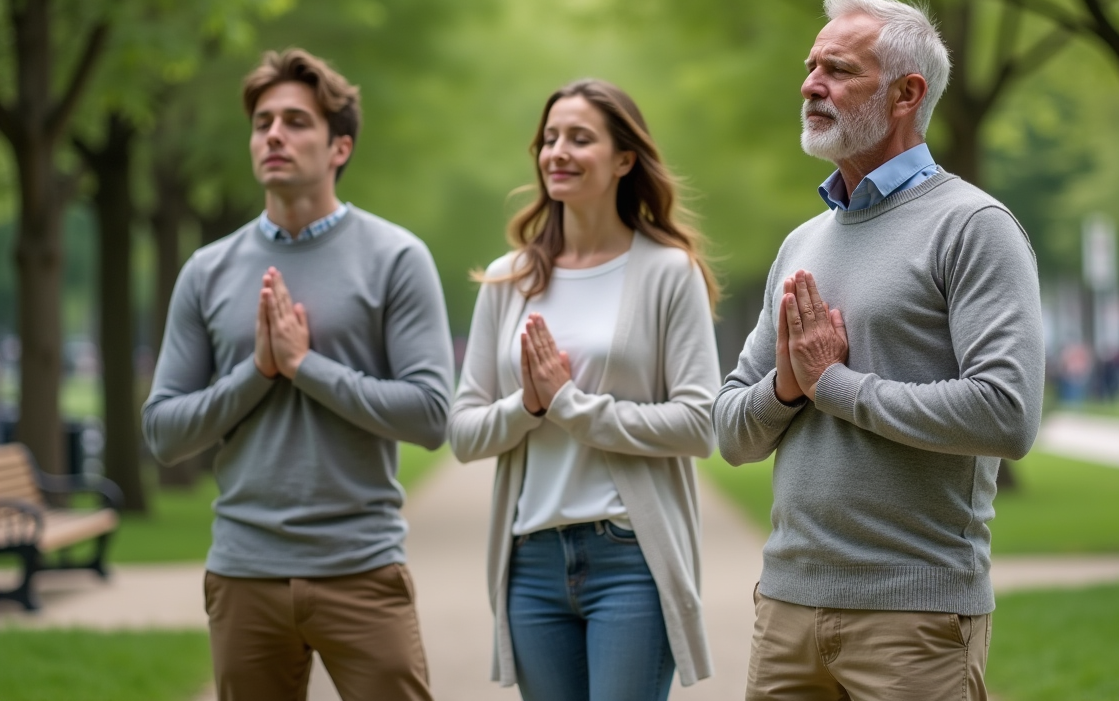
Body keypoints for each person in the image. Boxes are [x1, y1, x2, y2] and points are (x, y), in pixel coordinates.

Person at [713, 0, 1045, 701]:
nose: (811, 85)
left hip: (914, 617)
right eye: (811, 66)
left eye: (838, 70)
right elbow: (732, 433)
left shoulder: (973, 226)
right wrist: (787, 388)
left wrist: (834, 386)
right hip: (786, 610)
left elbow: (1007, 414)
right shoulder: (801, 243)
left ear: (905, 94)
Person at [142, 48, 454, 701]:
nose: (274, 135)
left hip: (362, 571)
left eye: (295, 121)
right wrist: (259, 371)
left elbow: (430, 416)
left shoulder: (397, 258)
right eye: (262, 123)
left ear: (340, 146)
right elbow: (164, 433)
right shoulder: (206, 270)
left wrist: (306, 366)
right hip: (243, 574)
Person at [448, 79, 721, 701]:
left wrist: (571, 406)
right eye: (549, 139)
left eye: (579, 138)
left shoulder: (667, 271)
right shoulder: (506, 279)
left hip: (630, 557)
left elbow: (701, 423)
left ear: (625, 159)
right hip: (531, 562)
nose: (558, 153)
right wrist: (530, 405)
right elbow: (463, 433)